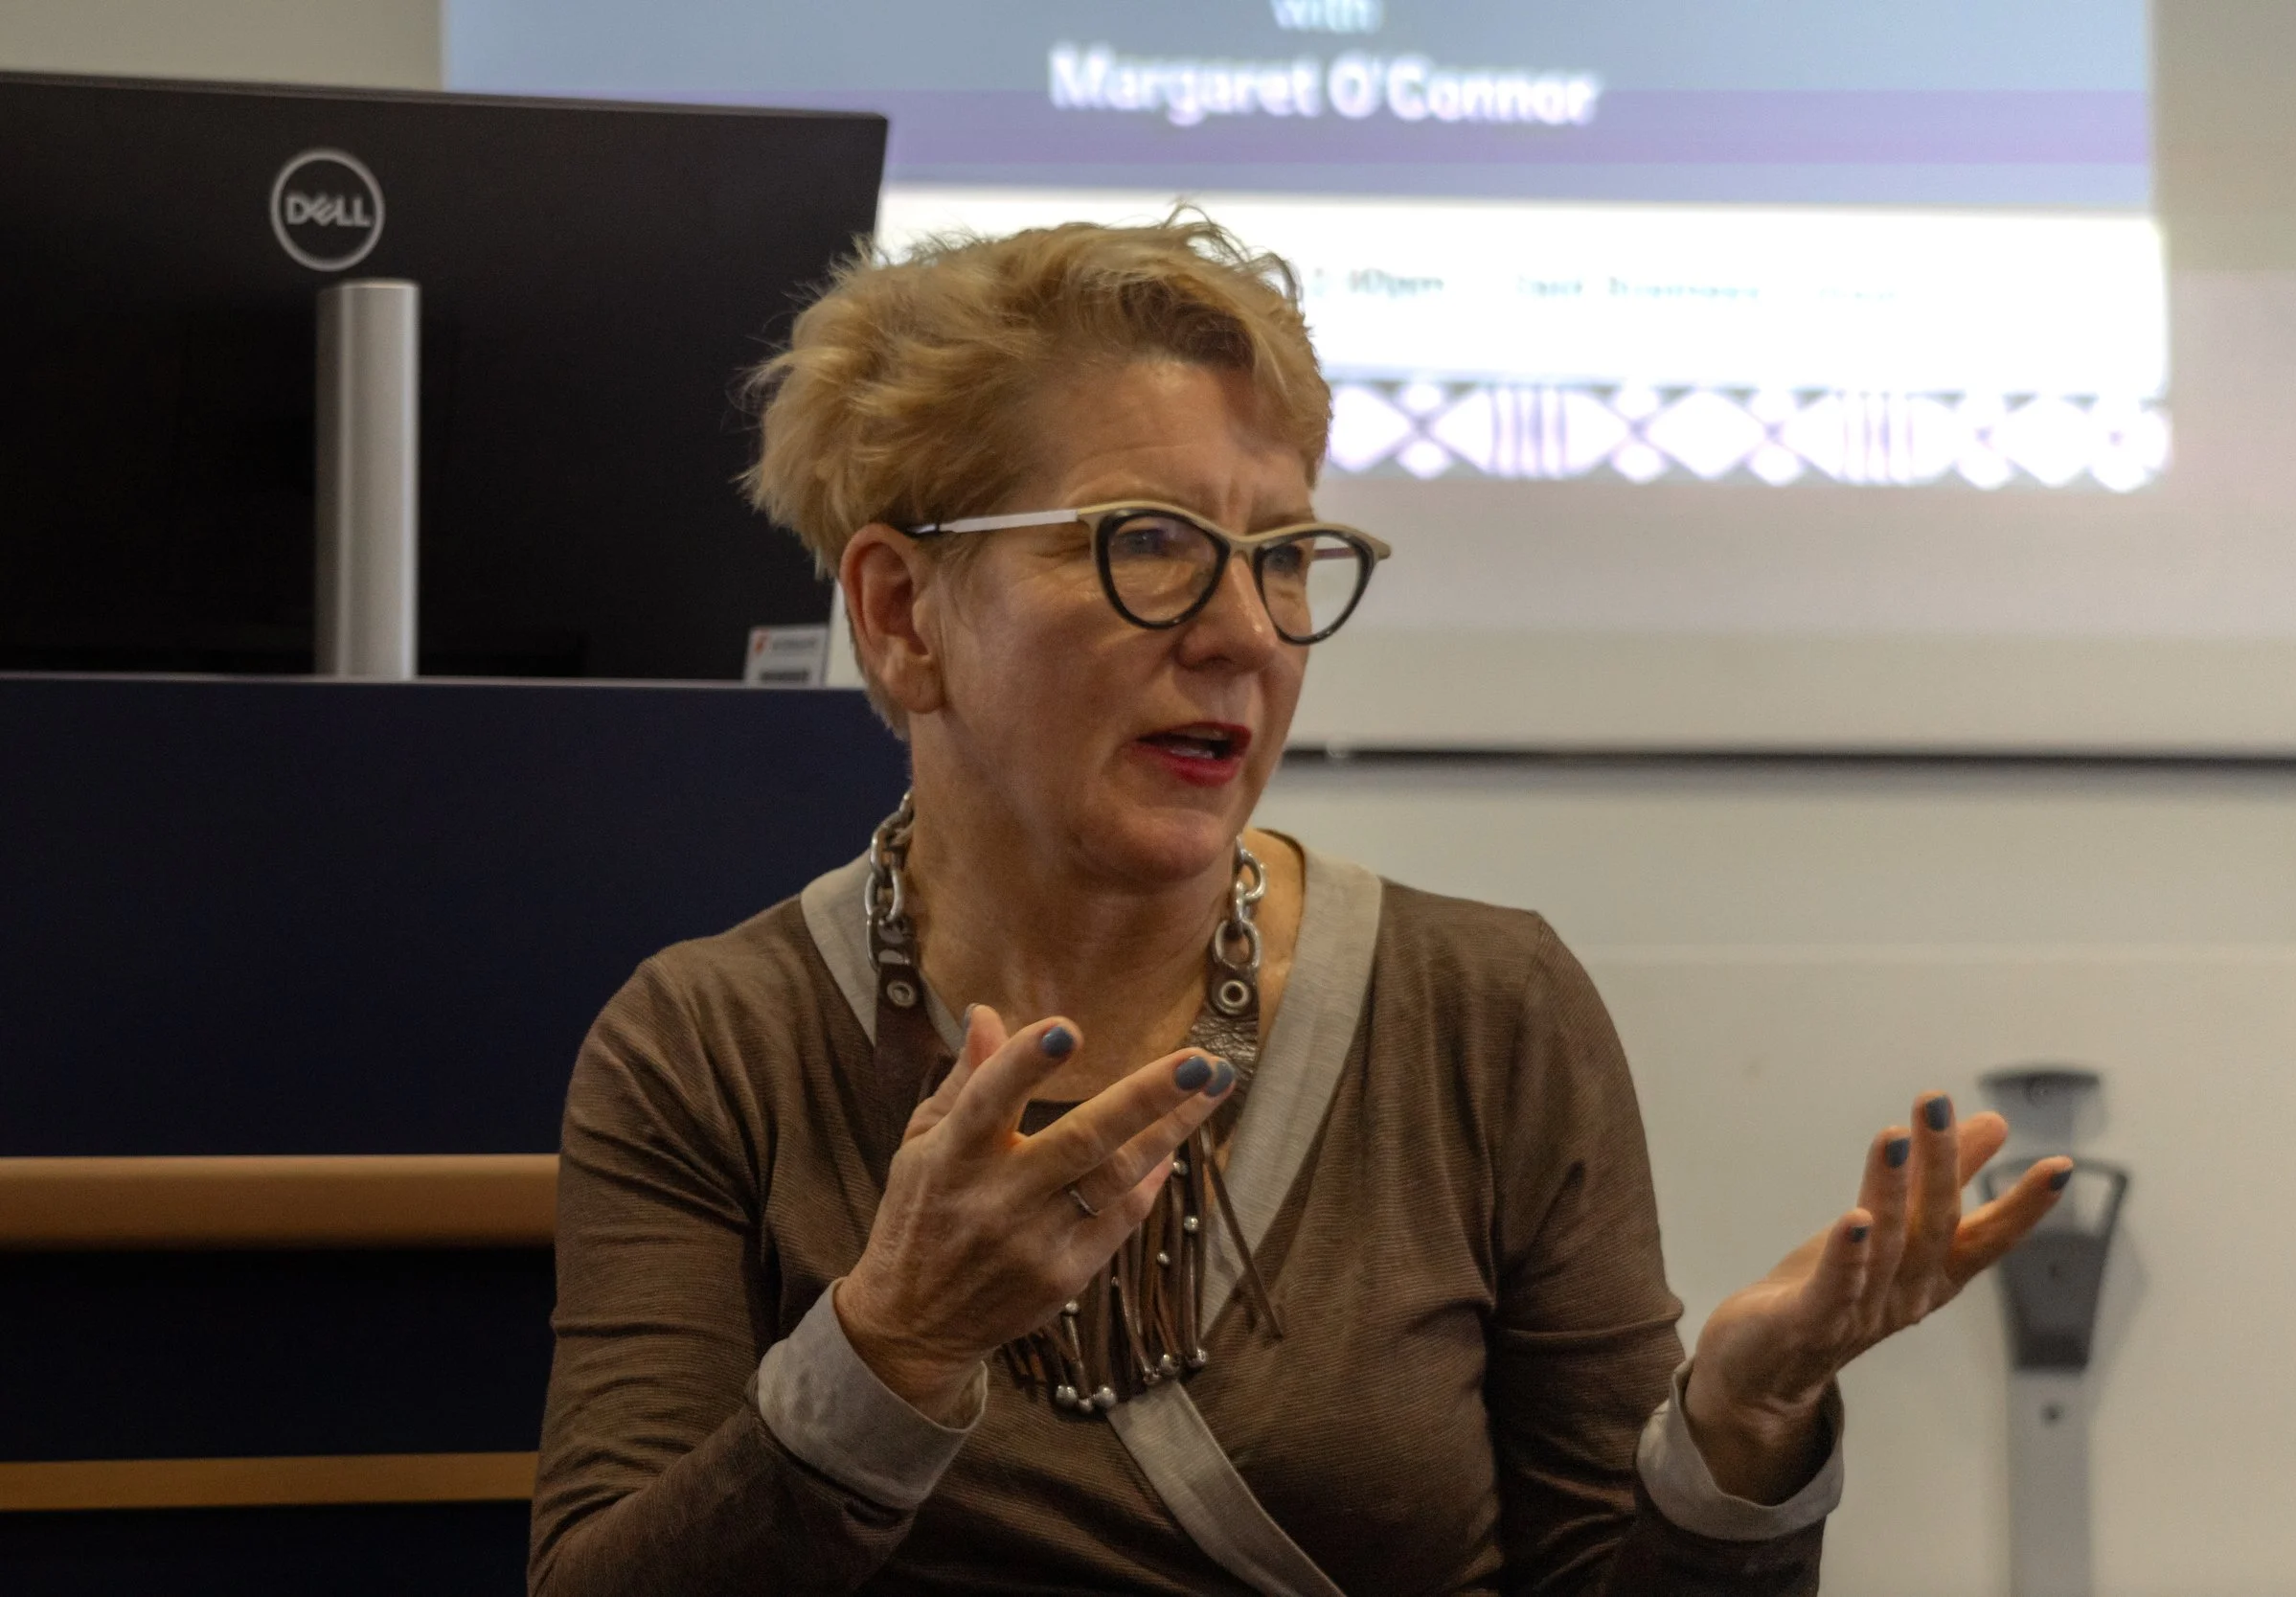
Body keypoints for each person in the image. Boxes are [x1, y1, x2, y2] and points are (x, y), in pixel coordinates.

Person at [528, 217, 2072, 1596]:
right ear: (899, 610)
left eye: (1285, 557)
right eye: (1148, 545)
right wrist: (890, 1351)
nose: (1244, 633)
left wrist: (1735, 1434)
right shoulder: (709, 1048)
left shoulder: (1487, 1010)